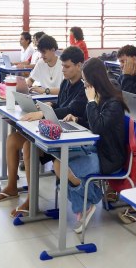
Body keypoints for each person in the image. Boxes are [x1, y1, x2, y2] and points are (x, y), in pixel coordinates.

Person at [0, 47, 87, 215]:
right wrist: (49, 105)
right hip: (55, 130)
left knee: (28, 146)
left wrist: (43, 113)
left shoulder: (84, 87)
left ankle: (32, 200)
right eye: (62, 66)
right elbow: (61, 104)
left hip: (67, 138)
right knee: (12, 140)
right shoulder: (66, 82)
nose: (63, 70)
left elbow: (72, 109)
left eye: (67, 66)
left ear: (79, 65)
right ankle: (11, 186)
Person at [52, 58, 128, 234]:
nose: (84, 84)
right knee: (58, 162)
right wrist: (77, 119)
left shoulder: (113, 102)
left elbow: (98, 127)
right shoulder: (100, 97)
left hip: (109, 157)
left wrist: (91, 101)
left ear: (95, 80)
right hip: (97, 149)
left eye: (86, 80)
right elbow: (94, 124)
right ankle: (90, 200)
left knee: (65, 169)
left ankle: (87, 203)